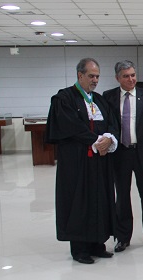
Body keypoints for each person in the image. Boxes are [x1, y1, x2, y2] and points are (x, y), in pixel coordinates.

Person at [46, 58, 119, 264]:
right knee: (79, 201)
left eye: (97, 76)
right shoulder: (64, 98)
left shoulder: (100, 100)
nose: (95, 80)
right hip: (77, 162)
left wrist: (109, 139)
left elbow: (113, 123)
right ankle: (79, 249)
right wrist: (96, 141)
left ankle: (97, 244)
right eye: (91, 76)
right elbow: (71, 126)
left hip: (99, 162)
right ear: (80, 75)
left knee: (100, 200)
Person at [103, 61, 143, 252]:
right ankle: (122, 237)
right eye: (126, 76)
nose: (131, 79)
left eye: (133, 75)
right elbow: (107, 125)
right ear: (117, 78)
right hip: (120, 153)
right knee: (122, 197)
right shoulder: (108, 97)